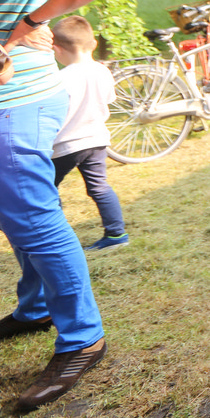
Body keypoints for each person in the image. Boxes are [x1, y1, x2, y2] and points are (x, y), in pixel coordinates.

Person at [0, 0, 109, 410]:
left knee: (33, 220)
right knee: (6, 216)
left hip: (12, 105)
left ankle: (83, 338)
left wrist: (28, 25)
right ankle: (35, 310)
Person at [51, 15, 129, 253]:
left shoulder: (60, 78)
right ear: (93, 44)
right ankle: (116, 234)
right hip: (96, 140)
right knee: (99, 187)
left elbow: (53, 113)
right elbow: (108, 99)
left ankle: (58, 238)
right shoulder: (102, 71)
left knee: (47, 189)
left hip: (65, 145)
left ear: (56, 49)